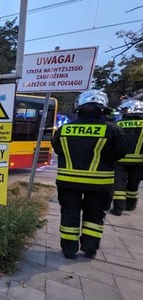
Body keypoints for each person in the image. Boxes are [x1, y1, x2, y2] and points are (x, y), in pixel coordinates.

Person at [51, 90, 128, 259]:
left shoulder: (65, 129)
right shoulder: (113, 130)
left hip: (68, 182)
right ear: (103, 108)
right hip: (100, 183)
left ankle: (69, 249)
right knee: (94, 216)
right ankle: (89, 247)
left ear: (79, 108)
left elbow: (57, 149)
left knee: (69, 214)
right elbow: (121, 153)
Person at [110, 99, 143, 216]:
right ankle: (130, 205)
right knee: (133, 185)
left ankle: (118, 208)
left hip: (120, 160)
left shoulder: (118, 124)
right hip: (139, 161)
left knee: (119, 185)